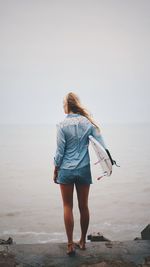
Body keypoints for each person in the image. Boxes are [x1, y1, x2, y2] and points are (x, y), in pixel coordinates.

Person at [53, 92, 107, 256]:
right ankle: (83, 241)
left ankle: (70, 244)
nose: (63, 106)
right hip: (83, 169)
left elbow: (60, 152)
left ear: (67, 105)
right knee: (83, 206)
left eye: (63, 104)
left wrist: (56, 168)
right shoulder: (87, 123)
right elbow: (102, 145)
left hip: (66, 170)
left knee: (67, 206)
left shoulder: (61, 125)